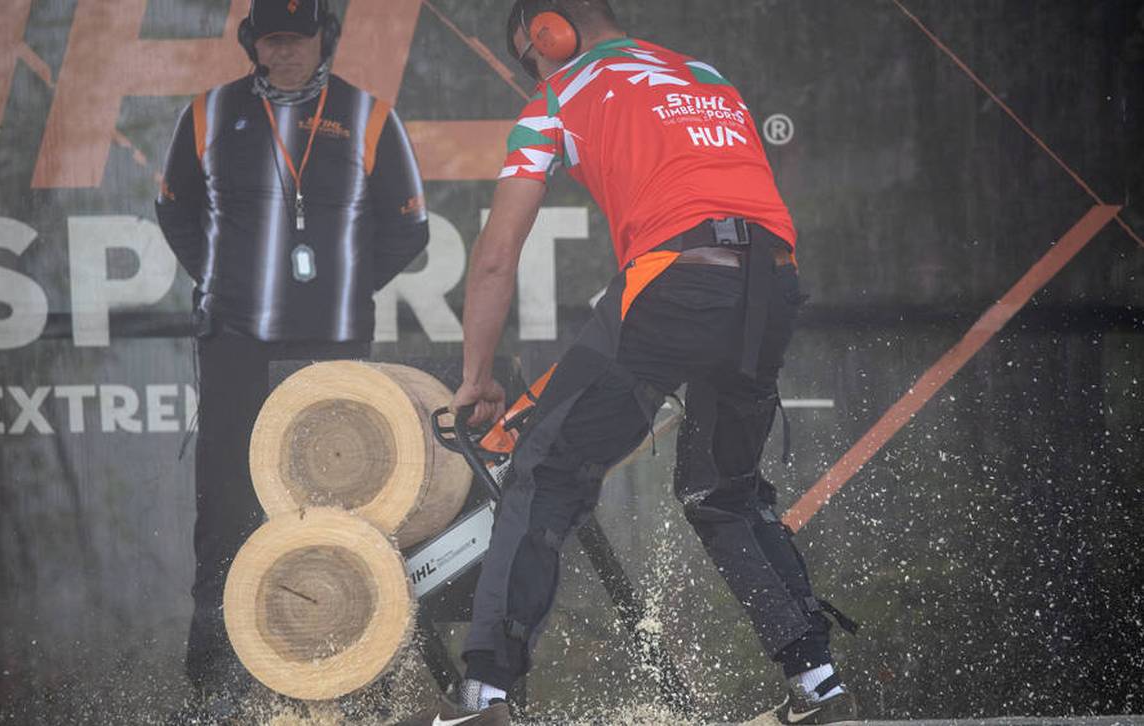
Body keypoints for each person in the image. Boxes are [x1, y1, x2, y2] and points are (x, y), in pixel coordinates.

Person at [395, 2, 858, 724]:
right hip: (771, 283)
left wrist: (476, 377)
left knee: (545, 473)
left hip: (676, 277)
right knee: (724, 493)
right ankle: (818, 685)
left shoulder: (556, 97)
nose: (534, 72)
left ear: (549, 31)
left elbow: (495, 257)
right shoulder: (705, 76)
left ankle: (484, 695)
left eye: (530, 57)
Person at [154, 0, 429, 717]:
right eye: (272, 41)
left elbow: (410, 228)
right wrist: (221, 281)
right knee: (226, 512)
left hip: (332, 348)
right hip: (234, 346)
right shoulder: (208, 114)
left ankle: (353, 687)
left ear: (324, 38)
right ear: (252, 43)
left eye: (298, 39)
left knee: (343, 512)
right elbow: (174, 210)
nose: (285, 53)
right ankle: (218, 689)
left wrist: (344, 286)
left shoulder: (369, 115)